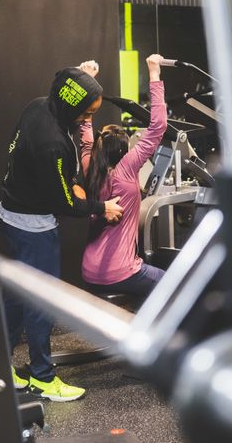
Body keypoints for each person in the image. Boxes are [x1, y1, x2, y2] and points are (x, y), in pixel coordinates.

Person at [0, 60, 123, 402]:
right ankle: (41, 377)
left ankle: (0, 366)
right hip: (33, 226)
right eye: (86, 113)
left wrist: (87, 82)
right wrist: (103, 207)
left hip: (11, 213)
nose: (87, 120)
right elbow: (68, 204)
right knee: (41, 301)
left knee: (17, 293)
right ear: (73, 107)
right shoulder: (52, 143)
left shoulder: (39, 105)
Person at [80, 54, 167, 301]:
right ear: (123, 150)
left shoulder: (89, 165)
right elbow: (158, 126)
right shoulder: (126, 168)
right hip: (120, 272)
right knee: (174, 286)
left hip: (88, 271)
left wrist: (86, 80)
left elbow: (85, 128)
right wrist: (154, 73)